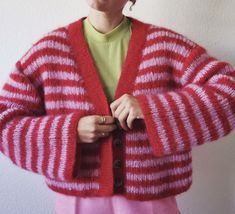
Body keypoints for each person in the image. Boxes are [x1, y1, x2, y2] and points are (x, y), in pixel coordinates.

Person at [0, 0, 234, 213]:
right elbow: (5, 120)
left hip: (152, 203)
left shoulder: (166, 45)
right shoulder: (48, 52)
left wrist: (151, 109)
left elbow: (229, 91)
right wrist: (69, 132)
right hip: (78, 202)